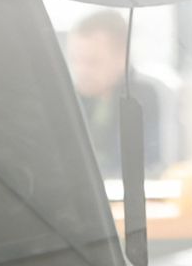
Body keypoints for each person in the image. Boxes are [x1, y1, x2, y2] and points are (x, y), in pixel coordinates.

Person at [67, 11, 168, 179]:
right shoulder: (71, 99)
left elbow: (151, 163)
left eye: (92, 62)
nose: (80, 71)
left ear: (122, 56)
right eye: (74, 60)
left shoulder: (143, 97)